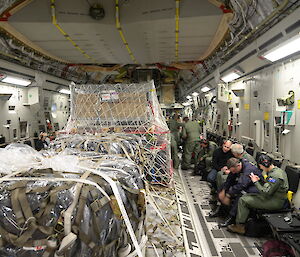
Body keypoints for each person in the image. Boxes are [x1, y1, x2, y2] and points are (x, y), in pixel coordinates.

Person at [227, 154, 289, 234]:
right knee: (246, 196)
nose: (260, 168)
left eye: (260, 166)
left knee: (243, 200)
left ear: (264, 165)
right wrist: (259, 180)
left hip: (275, 201)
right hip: (273, 197)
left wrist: (255, 182)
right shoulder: (277, 171)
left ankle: (240, 226)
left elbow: (266, 192)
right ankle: (244, 221)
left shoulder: (275, 176)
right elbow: (270, 186)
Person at [214, 158, 263, 227]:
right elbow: (230, 179)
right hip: (246, 184)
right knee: (223, 186)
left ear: (238, 166)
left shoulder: (248, 169)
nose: (233, 172)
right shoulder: (235, 168)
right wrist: (224, 190)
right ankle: (220, 210)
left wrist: (228, 195)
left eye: (234, 171)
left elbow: (242, 185)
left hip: (256, 186)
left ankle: (231, 217)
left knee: (241, 194)